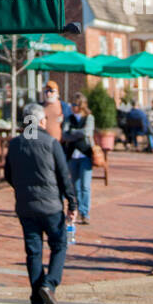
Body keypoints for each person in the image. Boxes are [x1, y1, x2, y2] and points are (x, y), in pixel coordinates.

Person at [4, 103, 77, 304]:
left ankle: (37, 299)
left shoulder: (16, 144)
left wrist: (22, 188)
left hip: (26, 206)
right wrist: (72, 203)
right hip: (51, 205)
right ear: (40, 121)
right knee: (59, 245)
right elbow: (64, 176)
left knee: (33, 252)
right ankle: (50, 283)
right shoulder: (51, 143)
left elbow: (8, 174)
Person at [62, 93, 94, 224]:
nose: (72, 107)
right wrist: (77, 134)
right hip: (72, 156)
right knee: (75, 186)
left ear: (80, 106)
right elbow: (64, 135)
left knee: (85, 186)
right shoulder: (69, 118)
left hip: (85, 155)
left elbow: (87, 132)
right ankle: (78, 209)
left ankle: (85, 212)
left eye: (74, 104)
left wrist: (72, 132)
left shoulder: (89, 118)